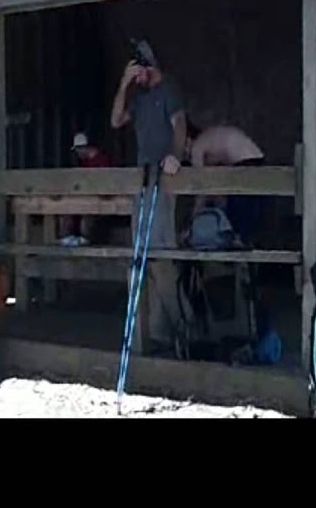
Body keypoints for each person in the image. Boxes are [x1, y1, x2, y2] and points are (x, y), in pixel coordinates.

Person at [110, 38, 187, 356]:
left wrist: (175, 156)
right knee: (142, 252)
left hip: (163, 177)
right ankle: (151, 330)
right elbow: (116, 121)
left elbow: (180, 125)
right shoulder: (138, 97)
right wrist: (124, 83)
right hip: (142, 179)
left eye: (138, 71)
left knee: (163, 253)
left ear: (149, 66)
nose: (137, 78)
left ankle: (177, 328)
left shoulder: (168, 91)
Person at [184, 121, 268, 247]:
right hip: (256, 161)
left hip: (244, 164)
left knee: (239, 210)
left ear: (188, 140)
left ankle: (239, 243)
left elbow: (201, 186)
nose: (185, 155)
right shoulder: (211, 139)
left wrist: (193, 217)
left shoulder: (197, 146)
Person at [58, 132, 113, 246]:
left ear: (84, 148)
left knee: (87, 214)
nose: (77, 153)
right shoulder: (83, 162)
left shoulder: (102, 160)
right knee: (66, 208)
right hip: (86, 196)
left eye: (78, 150)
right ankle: (67, 239)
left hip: (101, 198)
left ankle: (86, 241)